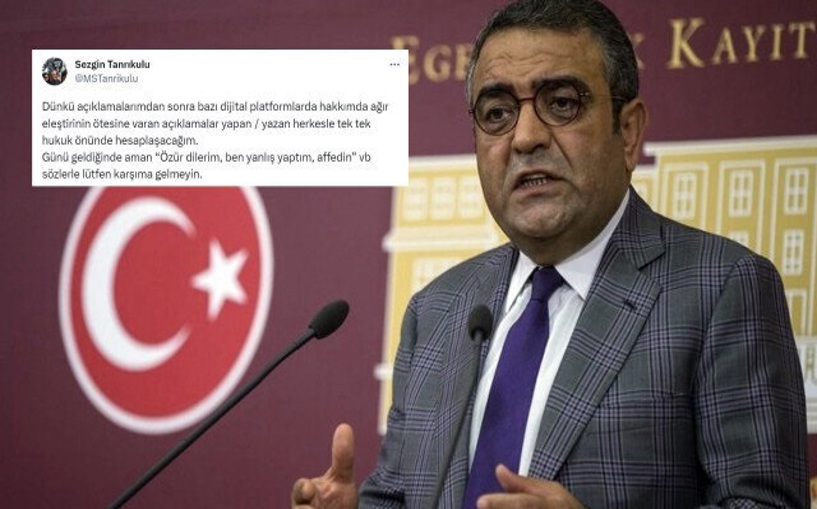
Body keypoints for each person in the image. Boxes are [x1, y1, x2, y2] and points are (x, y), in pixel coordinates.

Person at [292, 0, 808, 507]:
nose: (525, 138)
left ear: (628, 132)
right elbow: (398, 498)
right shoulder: (437, 311)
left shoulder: (721, 289)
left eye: (561, 103)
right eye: (497, 113)